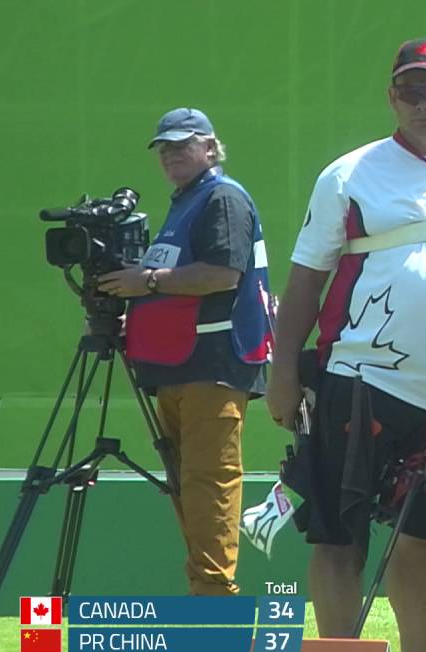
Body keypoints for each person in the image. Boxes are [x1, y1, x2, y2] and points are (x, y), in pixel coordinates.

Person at [265, 37, 426, 652]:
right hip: (357, 378)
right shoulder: (349, 175)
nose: (423, 103)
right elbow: (306, 281)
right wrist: (283, 375)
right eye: (410, 90)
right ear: (392, 97)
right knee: (339, 534)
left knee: (422, 537)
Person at [96, 107, 274, 595]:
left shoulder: (221, 197)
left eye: (183, 144)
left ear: (211, 148)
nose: (171, 153)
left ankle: (217, 601)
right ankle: (205, 591)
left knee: (208, 481)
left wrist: (144, 282)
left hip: (213, 364)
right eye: (164, 147)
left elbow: (222, 274)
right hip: (180, 365)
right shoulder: (189, 201)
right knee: (187, 482)